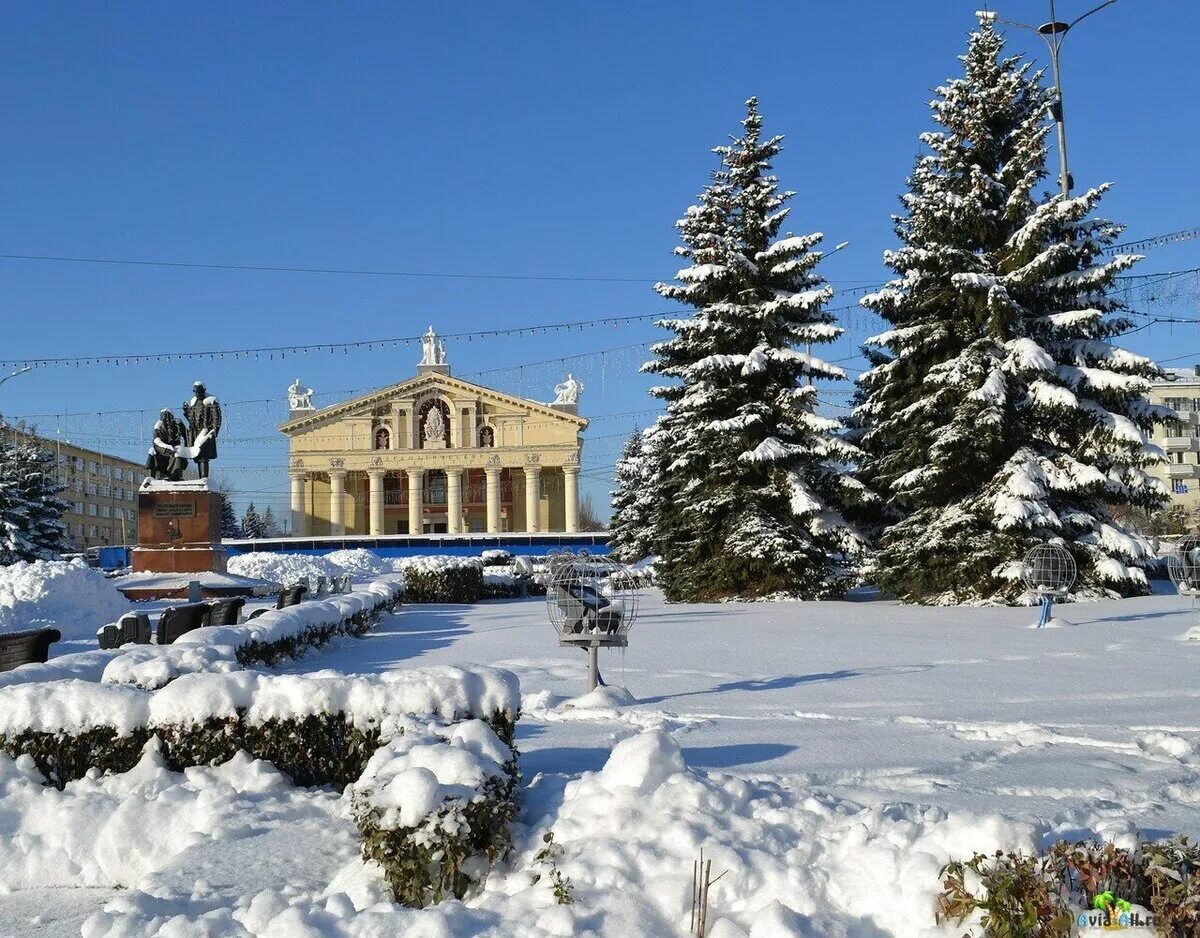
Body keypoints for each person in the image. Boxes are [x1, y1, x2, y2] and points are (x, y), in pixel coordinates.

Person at [183, 381, 222, 479]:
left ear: (204, 390)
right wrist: (186, 411)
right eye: (195, 392)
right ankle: (202, 479)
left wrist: (214, 431)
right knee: (198, 456)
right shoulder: (193, 402)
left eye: (199, 391)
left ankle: (204, 479)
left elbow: (217, 417)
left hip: (205, 432)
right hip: (196, 432)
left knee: (204, 457)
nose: (197, 394)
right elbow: (192, 421)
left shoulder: (211, 400)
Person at [146, 409, 187, 481]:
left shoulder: (178, 425)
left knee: (177, 456)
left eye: (168, 419)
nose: (166, 421)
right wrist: (167, 447)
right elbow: (157, 441)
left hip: (175, 450)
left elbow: (186, 435)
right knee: (152, 452)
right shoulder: (158, 428)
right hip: (161, 451)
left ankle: (175, 477)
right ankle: (151, 478)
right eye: (164, 419)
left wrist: (186, 448)